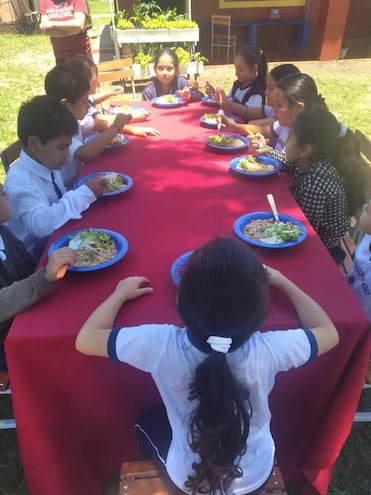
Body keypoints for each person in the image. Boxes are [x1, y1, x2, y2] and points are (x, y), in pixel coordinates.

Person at [75, 236, 339, 495]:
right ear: (260, 315)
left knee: (146, 422)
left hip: (188, 483)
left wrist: (119, 294)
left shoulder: (159, 344)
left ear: (180, 301)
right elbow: (327, 331)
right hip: (255, 477)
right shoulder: (268, 351)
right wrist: (284, 282)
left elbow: (86, 339)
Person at [4, 95, 107, 262]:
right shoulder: (21, 181)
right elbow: (40, 225)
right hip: (32, 260)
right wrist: (83, 194)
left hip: (57, 238)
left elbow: (59, 196)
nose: (67, 155)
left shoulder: (46, 161)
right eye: (61, 148)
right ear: (35, 144)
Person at [0, 182, 76, 372]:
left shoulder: (3, 231)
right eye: (2, 194)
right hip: (7, 339)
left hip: (23, 310)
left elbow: (26, 265)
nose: (7, 195)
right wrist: (43, 278)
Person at [284, 110, 369, 263]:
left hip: (325, 250)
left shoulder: (315, 184)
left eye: (290, 136)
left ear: (305, 149)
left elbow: (303, 232)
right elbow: (287, 163)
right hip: (315, 235)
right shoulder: (310, 161)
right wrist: (265, 150)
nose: (285, 139)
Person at [44, 62, 132, 188]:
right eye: (84, 102)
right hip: (67, 190)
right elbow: (87, 154)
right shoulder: (57, 129)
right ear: (65, 105)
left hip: (78, 180)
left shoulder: (73, 119)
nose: (88, 107)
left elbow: (98, 124)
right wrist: (116, 126)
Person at [67, 55, 159, 138]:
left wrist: (110, 93)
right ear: (85, 84)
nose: (98, 82)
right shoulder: (80, 108)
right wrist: (132, 121)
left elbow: (93, 98)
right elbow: (103, 122)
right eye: (95, 80)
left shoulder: (79, 98)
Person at [209, 46, 268, 122]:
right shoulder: (237, 84)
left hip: (244, 129)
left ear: (254, 69)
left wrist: (227, 103)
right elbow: (228, 100)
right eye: (235, 68)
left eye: (241, 69)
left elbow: (248, 113)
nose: (236, 73)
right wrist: (216, 95)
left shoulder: (257, 91)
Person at [39, 0, 92, 65]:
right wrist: (70, 30)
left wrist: (53, 25)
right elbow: (45, 29)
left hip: (82, 59)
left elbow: (79, 25)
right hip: (61, 60)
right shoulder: (45, 1)